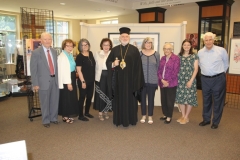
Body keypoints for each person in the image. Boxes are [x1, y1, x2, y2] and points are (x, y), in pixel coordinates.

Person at [106, 27, 144, 127]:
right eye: (123, 36)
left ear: (129, 37)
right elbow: (108, 62)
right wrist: (113, 64)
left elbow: (138, 67)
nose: (124, 38)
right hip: (118, 81)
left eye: (126, 36)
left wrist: (137, 81)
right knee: (119, 100)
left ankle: (131, 119)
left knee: (131, 100)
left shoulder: (134, 49)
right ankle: (118, 120)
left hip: (131, 81)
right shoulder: (114, 50)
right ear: (119, 38)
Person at [198, 32, 229, 129]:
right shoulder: (200, 52)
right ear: (204, 41)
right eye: (206, 40)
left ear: (213, 40)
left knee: (218, 100)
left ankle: (215, 121)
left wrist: (219, 74)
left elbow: (226, 64)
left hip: (218, 79)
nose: (208, 42)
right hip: (205, 79)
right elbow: (199, 65)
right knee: (206, 100)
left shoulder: (221, 50)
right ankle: (206, 119)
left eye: (210, 39)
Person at [30, 32, 59, 128]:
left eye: (49, 39)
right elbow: (33, 69)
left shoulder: (54, 51)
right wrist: (35, 83)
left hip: (55, 80)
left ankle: (53, 118)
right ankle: (46, 120)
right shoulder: (36, 52)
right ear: (41, 40)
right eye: (45, 39)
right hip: (43, 82)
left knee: (54, 100)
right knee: (45, 102)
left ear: (51, 41)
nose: (47, 41)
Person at [175, 39, 198, 124]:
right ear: (182, 46)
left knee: (189, 98)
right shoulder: (179, 56)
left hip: (190, 79)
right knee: (180, 98)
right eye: (185, 45)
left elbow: (196, 69)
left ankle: (186, 116)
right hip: (180, 80)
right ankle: (183, 115)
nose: (186, 46)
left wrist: (191, 80)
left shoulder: (194, 56)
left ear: (191, 46)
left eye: (188, 45)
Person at [158, 43, 180, 124]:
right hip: (162, 83)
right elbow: (159, 70)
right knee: (163, 100)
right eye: (165, 49)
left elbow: (175, 71)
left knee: (169, 100)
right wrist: (162, 80)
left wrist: (168, 81)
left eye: (168, 49)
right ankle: (165, 114)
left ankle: (169, 116)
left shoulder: (176, 58)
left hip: (171, 83)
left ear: (171, 50)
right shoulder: (162, 58)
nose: (166, 50)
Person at [139, 37, 160, 124]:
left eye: (150, 43)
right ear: (144, 44)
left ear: (152, 44)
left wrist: (158, 80)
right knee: (143, 99)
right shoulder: (139, 54)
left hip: (153, 80)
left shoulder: (156, 54)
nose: (148, 44)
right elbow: (137, 67)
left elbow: (158, 67)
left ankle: (150, 116)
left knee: (151, 99)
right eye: (146, 43)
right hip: (142, 81)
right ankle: (144, 115)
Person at [58, 39, 78, 124]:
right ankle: (65, 116)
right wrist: (68, 83)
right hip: (66, 79)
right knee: (66, 98)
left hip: (72, 77)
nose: (70, 47)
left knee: (70, 98)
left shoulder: (69, 55)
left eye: (71, 46)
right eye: (68, 46)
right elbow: (63, 71)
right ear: (64, 46)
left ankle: (68, 114)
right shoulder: (61, 56)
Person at [76, 38, 96, 121]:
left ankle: (87, 112)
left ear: (88, 45)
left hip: (91, 80)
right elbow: (79, 71)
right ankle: (80, 115)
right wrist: (83, 81)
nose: (85, 46)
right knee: (82, 97)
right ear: (80, 46)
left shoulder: (90, 53)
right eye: (82, 45)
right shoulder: (79, 56)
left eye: (86, 44)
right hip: (83, 81)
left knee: (90, 97)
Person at [93, 38, 113, 121]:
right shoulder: (97, 54)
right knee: (101, 94)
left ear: (110, 46)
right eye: (104, 45)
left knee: (108, 94)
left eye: (108, 45)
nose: (106, 46)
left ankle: (106, 111)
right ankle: (100, 112)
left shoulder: (112, 54)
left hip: (110, 76)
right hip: (100, 76)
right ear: (101, 45)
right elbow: (93, 66)